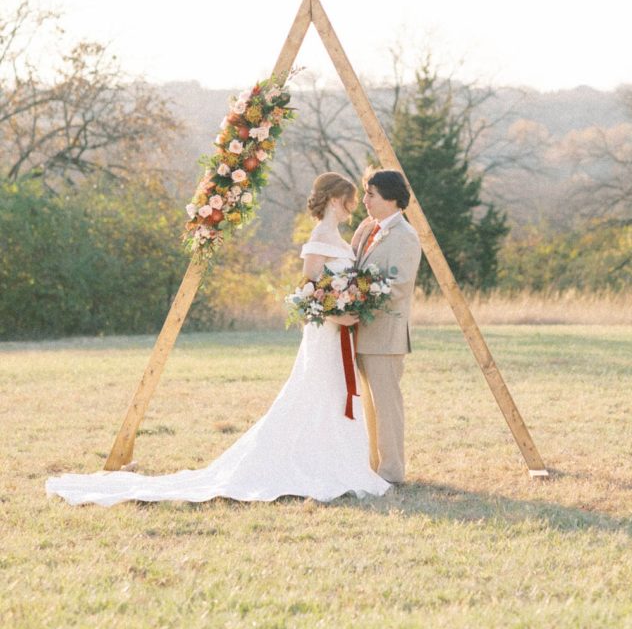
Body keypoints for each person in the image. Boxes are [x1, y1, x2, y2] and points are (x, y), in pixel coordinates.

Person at [45, 172, 391, 506]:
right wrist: (336, 313)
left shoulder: (341, 239)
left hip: (339, 334)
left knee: (334, 393)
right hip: (324, 332)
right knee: (317, 390)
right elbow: (308, 292)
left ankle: (334, 461)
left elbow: (336, 284)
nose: (352, 209)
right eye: (348, 202)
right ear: (334, 199)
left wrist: (351, 304)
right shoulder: (319, 238)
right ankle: (304, 463)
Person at [351, 169, 422, 484]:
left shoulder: (406, 237)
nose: (364, 200)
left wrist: (355, 297)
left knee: (386, 405)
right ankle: (373, 466)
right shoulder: (369, 229)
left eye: (371, 194)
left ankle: (392, 472)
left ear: (391, 199)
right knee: (367, 405)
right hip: (361, 333)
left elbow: (398, 286)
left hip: (386, 336)